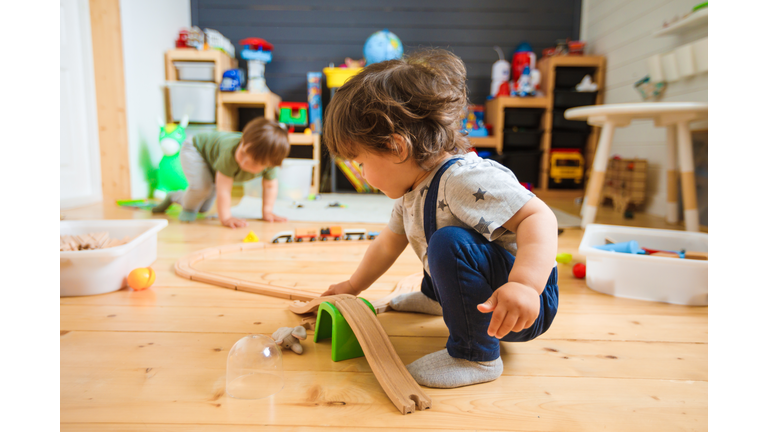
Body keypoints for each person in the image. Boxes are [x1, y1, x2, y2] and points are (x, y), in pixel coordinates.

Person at [320, 49, 559, 389]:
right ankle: (438, 299)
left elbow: (540, 216)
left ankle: (476, 357)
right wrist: (352, 287)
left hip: (521, 304)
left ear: (397, 147)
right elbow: (388, 244)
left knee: (448, 242)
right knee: (430, 232)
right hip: (491, 296)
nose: (360, 173)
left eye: (360, 162)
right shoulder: (411, 188)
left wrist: (525, 285)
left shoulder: (463, 179)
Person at [153, 118, 290, 227]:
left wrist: (267, 212)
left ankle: (174, 197)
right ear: (243, 140)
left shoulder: (269, 162)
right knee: (202, 189)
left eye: (253, 162)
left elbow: (270, 186)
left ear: (268, 165)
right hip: (195, 149)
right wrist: (226, 218)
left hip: (213, 162)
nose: (242, 162)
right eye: (243, 152)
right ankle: (188, 209)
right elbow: (224, 190)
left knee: (203, 208)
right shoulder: (230, 152)